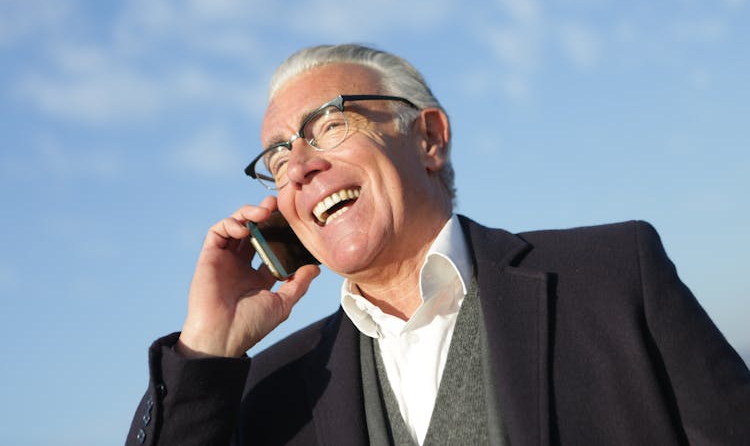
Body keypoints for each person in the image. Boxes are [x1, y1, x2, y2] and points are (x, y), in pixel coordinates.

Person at [127, 44, 750, 445]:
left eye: (331, 124)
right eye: (279, 153)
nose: (298, 166)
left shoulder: (615, 274)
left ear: (428, 138)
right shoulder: (272, 388)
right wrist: (205, 349)